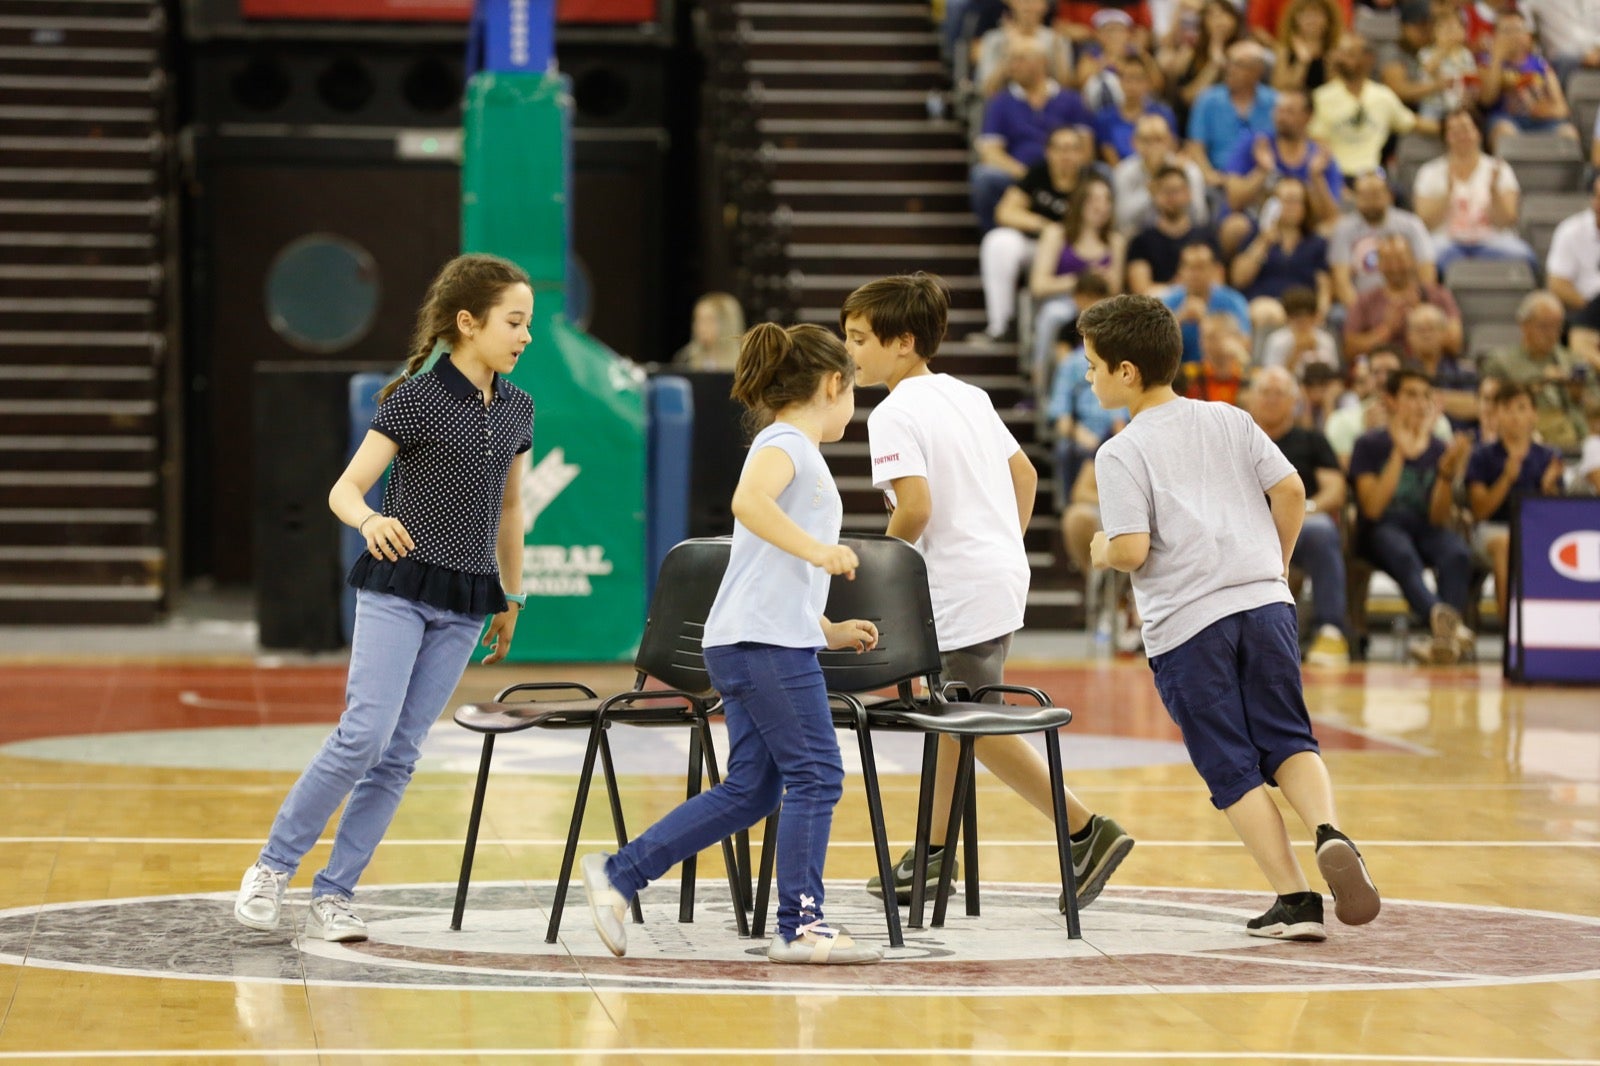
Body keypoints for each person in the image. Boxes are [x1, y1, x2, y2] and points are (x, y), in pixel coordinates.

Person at [234, 253, 536, 942]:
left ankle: (334, 894)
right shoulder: (418, 399)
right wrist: (370, 519)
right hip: (398, 589)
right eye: (513, 322)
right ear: (468, 323)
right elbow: (344, 489)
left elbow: (512, 508)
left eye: (528, 325)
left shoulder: (520, 408)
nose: (525, 336)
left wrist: (512, 594)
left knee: (401, 753)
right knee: (364, 734)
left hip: (467, 602)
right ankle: (272, 868)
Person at [580, 322, 884, 966]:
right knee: (818, 774)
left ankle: (620, 874)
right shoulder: (786, 443)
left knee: (753, 790)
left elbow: (765, 568)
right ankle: (801, 925)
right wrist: (821, 552)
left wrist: (825, 627)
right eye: (852, 389)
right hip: (762, 646)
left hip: (758, 640)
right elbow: (748, 505)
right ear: (834, 383)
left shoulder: (798, 449)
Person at [1083, 292, 1380, 942]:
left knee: (1232, 766)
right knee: (1290, 738)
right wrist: (1273, 563)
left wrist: (1104, 549)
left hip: (1190, 626)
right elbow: (1294, 490)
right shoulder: (1230, 418)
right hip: (1266, 602)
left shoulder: (1121, 451)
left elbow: (1132, 549)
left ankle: (1295, 898)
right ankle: (1330, 831)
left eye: (1093, 364)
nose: (1089, 375)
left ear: (1127, 372)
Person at [841, 272, 1135, 913]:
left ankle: (1087, 831)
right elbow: (1023, 474)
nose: (850, 350)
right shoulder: (967, 395)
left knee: (965, 719)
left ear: (903, 343)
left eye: (860, 338)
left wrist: (882, 582)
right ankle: (932, 856)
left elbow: (913, 509)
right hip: (998, 574)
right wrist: (1001, 540)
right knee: (954, 718)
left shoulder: (892, 412)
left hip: (956, 585)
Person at [1347, 368, 1476, 664]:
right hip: (1380, 529)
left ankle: (1442, 642)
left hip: (1424, 527)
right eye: (1411, 394)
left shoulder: (1438, 448)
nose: (1419, 403)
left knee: (1456, 552)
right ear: (1390, 400)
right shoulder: (1369, 444)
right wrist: (1399, 455)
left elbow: (1438, 518)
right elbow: (1373, 509)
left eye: (1425, 396)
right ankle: (1447, 627)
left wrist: (1445, 474)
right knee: (1402, 552)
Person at [1248, 366, 1352, 666]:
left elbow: (1335, 490)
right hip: (1246, 526)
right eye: (1264, 392)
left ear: (1294, 401)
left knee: (1322, 531)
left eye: (1279, 393)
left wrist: (1301, 510)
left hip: (1301, 523)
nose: (1271, 399)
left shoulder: (1312, 440)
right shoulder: (1237, 439)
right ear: (1251, 399)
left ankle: (1330, 631)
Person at [977, 125, 1096, 342]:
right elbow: (1004, 212)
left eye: (1071, 149)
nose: (1065, 155)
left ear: (1082, 153)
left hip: (1076, 252)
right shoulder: (1038, 174)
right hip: (1038, 248)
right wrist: (1043, 225)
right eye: (1059, 149)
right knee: (998, 242)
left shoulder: (1092, 180)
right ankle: (1000, 325)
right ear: (1048, 152)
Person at [971, 38, 1096, 231]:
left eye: (1020, 59)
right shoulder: (1000, 102)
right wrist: (1027, 175)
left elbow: (1086, 149)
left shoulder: (1071, 99)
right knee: (984, 177)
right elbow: (990, 152)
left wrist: (1062, 170)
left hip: (1066, 173)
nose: (1012, 66)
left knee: (1103, 175)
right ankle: (992, 236)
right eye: (1010, 59)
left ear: (1042, 62)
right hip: (1018, 174)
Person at [1465, 382, 1565, 622]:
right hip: (1492, 530)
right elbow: (1480, 511)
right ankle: (1511, 629)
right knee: (1506, 543)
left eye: (1521, 408)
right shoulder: (1481, 456)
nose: (1515, 416)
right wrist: (1506, 479)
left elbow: (1559, 515)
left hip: (1537, 530)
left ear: (1534, 414)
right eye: (1507, 409)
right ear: (1496, 414)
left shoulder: (1548, 457)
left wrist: (1548, 488)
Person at [1411, 108, 1538, 274]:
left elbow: (1507, 219)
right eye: (1453, 131)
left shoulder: (1499, 169)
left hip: (1492, 240)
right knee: (1426, 259)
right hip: (1447, 241)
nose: (1461, 135)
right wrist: (1448, 194)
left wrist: (1494, 192)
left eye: (1465, 129)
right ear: (1445, 138)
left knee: (1525, 256)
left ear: (1478, 132)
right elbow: (1424, 222)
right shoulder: (1429, 172)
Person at [1029, 177, 1127, 385]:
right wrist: (1082, 278)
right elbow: (1039, 285)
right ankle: (1040, 382)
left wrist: (1105, 281)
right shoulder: (1057, 234)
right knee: (1053, 315)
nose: (1100, 205)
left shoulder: (1115, 242)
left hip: (1100, 305)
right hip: (1063, 301)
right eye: (1094, 199)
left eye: (1106, 199)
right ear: (1080, 202)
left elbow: (1115, 290)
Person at [1220, 90, 1343, 252]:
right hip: (1257, 223)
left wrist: (1316, 177)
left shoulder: (1320, 156)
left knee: (1336, 230)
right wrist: (1262, 171)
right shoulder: (1255, 145)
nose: (1281, 117)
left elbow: (1332, 216)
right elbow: (1233, 200)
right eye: (1278, 110)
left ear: (1308, 117)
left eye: (1289, 112)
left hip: (1302, 228)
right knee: (1234, 226)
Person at [1047, 273, 1126, 508]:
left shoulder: (1126, 357)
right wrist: (1076, 431)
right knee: (1068, 450)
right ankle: (1071, 512)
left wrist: (1118, 435)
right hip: (1084, 434)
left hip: (1120, 432)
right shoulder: (1071, 363)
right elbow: (1060, 412)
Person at [1482, 290, 1595, 451]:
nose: (1552, 334)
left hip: (1580, 435)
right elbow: (1491, 403)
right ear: (1524, 325)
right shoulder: (1501, 362)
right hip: (1532, 437)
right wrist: (1541, 380)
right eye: (1544, 327)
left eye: (1557, 327)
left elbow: (1595, 402)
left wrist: (1579, 395)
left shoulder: (1574, 361)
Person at [1227, 176, 1333, 334]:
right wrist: (1263, 242)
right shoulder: (1255, 236)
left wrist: (1321, 311)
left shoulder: (1316, 243)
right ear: (1272, 204)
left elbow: (1324, 286)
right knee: (1268, 313)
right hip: (1265, 303)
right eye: (1285, 200)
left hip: (1303, 308)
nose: (1290, 207)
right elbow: (1239, 279)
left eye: (1296, 201)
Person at [1310, 33, 1422, 174]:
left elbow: (1412, 122)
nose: (1341, 59)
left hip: (1372, 174)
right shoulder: (1321, 97)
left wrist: (1447, 126)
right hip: (1334, 174)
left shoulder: (1383, 96)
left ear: (1368, 59)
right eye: (1341, 54)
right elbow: (1316, 140)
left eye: (1349, 54)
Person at [1328, 170, 1437, 310]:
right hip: (1362, 303)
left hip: (1409, 301)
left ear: (1389, 195)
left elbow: (1427, 272)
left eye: (1376, 194)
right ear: (1355, 197)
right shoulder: (1344, 229)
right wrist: (1361, 312)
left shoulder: (1411, 225)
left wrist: (1415, 304)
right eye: (1365, 195)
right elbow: (1341, 281)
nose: (1371, 201)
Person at [1343, 234, 1463, 361]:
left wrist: (1422, 317)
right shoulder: (1364, 300)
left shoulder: (1438, 295)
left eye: (1400, 260)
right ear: (1379, 264)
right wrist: (1386, 330)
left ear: (1412, 260)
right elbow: (1350, 349)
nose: (1395, 267)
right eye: (1388, 261)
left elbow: (1455, 342)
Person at [1478, 12, 1580, 147]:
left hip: (1541, 121)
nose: (1513, 36)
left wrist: (1541, 110)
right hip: (1505, 119)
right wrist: (1497, 58)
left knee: (1569, 133)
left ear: (1527, 36)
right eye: (1507, 31)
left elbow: (1562, 109)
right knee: (1504, 132)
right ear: (1496, 36)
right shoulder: (1486, 63)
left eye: (1518, 30)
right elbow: (1486, 100)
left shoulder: (1541, 65)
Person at [1185, 39, 1278, 186]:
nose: (1230, 69)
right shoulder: (1208, 100)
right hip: (1218, 178)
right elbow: (1195, 146)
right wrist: (1208, 174)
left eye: (1238, 65)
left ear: (1258, 71)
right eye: (1228, 63)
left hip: (1263, 178)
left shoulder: (1275, 102)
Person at [1127, 164, 1219, 296]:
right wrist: (1178, 289)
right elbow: (1141, 289)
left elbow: (1217, 282)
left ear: (1188, 193)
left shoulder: (1206, 236)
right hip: (1158, 309)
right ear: (1154, 195)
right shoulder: (1141, 241)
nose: (1171, 197)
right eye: (1165, 191)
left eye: (1176, 190)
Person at [1110, 113, 1210, 235]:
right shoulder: (1124, 172)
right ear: (1134, 143)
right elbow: (1120, 221)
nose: (1153, 147)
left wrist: (1181, 188)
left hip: (1181, 236)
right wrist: (1150, 191)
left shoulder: (1188, 170)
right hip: (1138, 239)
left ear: (1170, 141)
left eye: (1159, 139)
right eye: (1146, 140)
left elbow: (1200, 218)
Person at [1161, 240, 1252, 363]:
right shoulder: (1169, 301)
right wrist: (1179, 319)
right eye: (1190, 267)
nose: (1195, 274)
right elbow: (1154, 346)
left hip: (1219, 372)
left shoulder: (1232, 300)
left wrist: (1206, 321)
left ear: (1214, 270)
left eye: (1201, 267)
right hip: (1178, 374)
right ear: (1181, 271)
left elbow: (1244, 344)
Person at [973, 0, 1075, 97]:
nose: (1028, 6)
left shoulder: (1057, 40)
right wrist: (1009, 56)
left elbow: (1065, 88)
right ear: (1012, 3)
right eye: (1023, 0)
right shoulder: (994, 40)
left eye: (1034, 1)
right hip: (1005, 105)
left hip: (1048, 105)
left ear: (1045, 5)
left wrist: (1057, 52)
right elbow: (986, 89)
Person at [1093, 54, 1178, 164]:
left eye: (1138, 79)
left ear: (1147, 82)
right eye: (1127, 78)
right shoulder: (1105, 117)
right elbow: (1112, 159)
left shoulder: (1163, 113)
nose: (1132, 85)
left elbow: (1171, 149)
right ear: (1119, 81)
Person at [1405, 303, 1479, 430]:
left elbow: (1477, 406)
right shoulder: (1403, 371)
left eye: (1431, 329)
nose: (1426, 335)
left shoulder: (1464, 371)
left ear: (1444, 333)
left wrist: (1428, 396)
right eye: (1420, 329)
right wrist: (1452, 401)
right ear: (1409, 336)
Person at [1544, 175, 1600, 316]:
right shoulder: (1571, 231)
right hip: (1584, 312)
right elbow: (1557, 284)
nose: (1597, 205)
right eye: (1597, 197)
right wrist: (1592, 310)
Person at [1414, 10, 1481, 125]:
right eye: (1444, 29)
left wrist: (1470, 93)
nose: (1450, 33)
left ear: (1463, 32)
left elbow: (1472, 78)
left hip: (1459, 104)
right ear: (1434, 32)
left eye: (1454, 28)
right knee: (1427, 117)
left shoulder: (1465, 54)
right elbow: (1428, 68)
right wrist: (1444, 49)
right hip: (1433, 104)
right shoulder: (1427, 52)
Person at [1260, 286, 1340, 374]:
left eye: (1307, 317)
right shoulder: (1277, 340)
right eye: (1296, 317)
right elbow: (1271, 376)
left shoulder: (1325, 340)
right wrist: (1296, 352)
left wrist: (1315, 353)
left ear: (1314, 316)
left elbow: (1333, 375)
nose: (1302, 322)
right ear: (1288, 317)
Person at [1270, 0, 1344, 95]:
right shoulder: (1285, 49)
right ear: (1295, 19)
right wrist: (1302, 62)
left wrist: (1331, 66)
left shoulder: (1335, 49)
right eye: (1305, 14)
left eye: (1317, 14)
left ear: (1329, 20)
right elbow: (1279, 89)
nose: (1311, 20)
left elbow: (1336, 90)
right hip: (1295, 104)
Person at [671, 292, 745, 371]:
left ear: (727, 324)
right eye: (697, 319)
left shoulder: (744, 362)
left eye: (709, 320)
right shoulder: (685, 359)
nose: (701, 327)